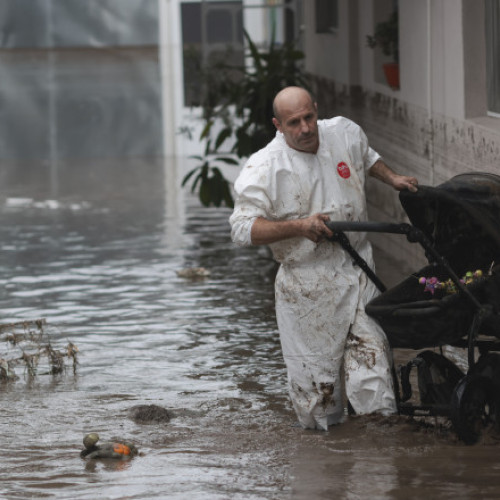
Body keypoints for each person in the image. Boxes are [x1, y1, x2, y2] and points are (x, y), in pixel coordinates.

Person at [229, 86, 418, 430]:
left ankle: (377, 463)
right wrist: (299, 227)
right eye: (293, 123)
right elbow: (242, 229)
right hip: (307, 286)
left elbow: (367, 156)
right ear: (278, 125)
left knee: (372, 372)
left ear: (316, 110)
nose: (304, 128)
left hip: (358, 269)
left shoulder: (344, 132)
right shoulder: (264, 167)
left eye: (309, 117)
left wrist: (393, 179)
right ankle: (324, 460)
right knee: (319, 397)